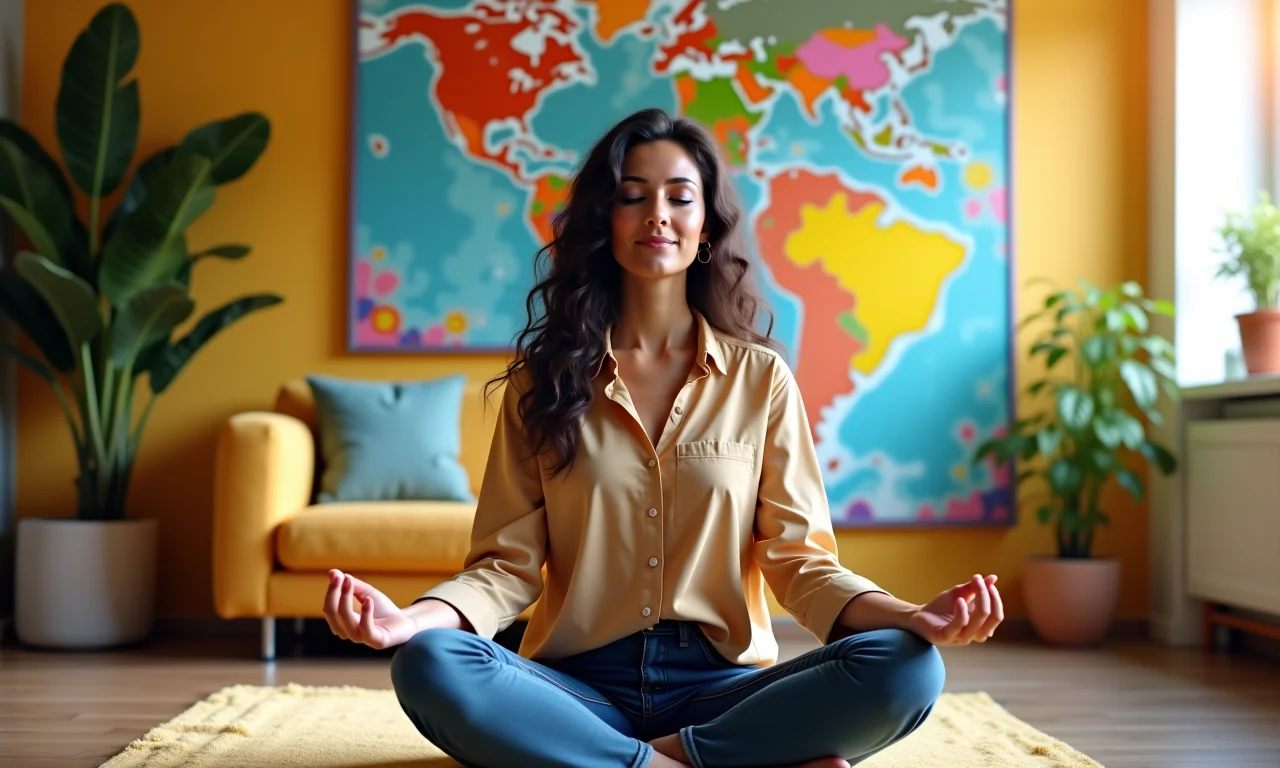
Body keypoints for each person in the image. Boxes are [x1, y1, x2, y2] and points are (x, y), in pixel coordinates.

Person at [323, 107, 1004, 768]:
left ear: (706, 226)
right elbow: (504, 568)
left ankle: (632, 763)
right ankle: (715, 764)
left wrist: (914, 615)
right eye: (633, 197)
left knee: (907, 666)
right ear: (605, 223)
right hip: (575, 693)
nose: (658, 214)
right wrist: (409, 622)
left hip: (722, 690)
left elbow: (802, 564)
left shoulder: (761, 380)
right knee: (431, 664)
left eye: (681, 197)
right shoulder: (542, 384)